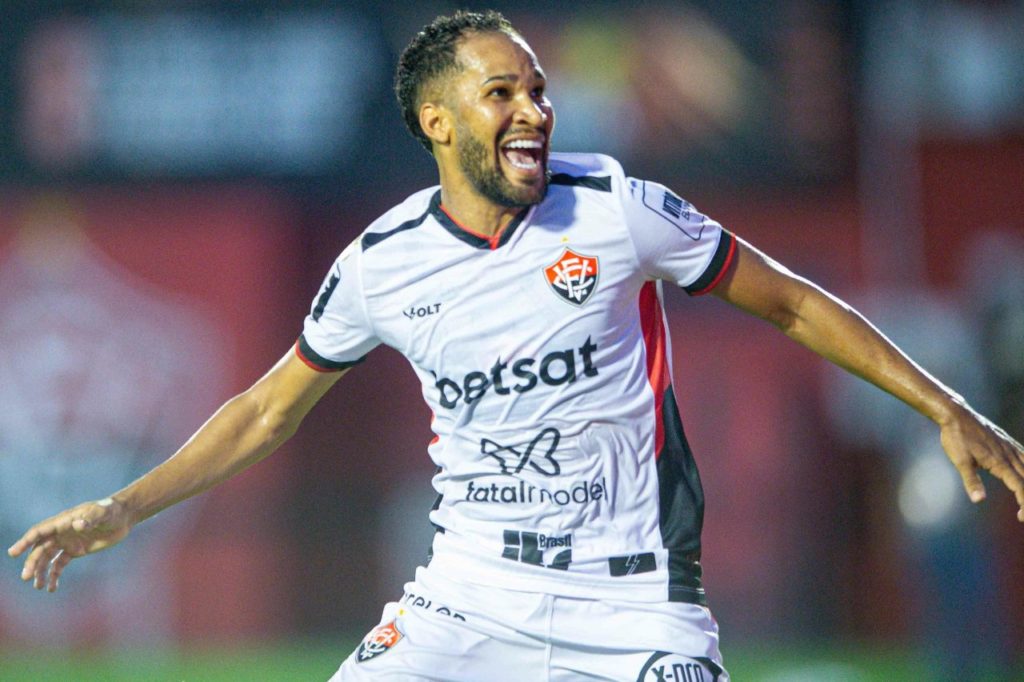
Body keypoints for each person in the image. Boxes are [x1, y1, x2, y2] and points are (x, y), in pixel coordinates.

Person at [9, 10, 1024, 681]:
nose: (535, 110)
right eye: (503, 94)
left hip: (635, 604)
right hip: (468, 595)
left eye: (537, 89)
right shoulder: (382, 263)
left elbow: (794, 305)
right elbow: (266, 410)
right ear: (436, 120)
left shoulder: (615, 209)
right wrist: (122, 506)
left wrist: (946, 406)